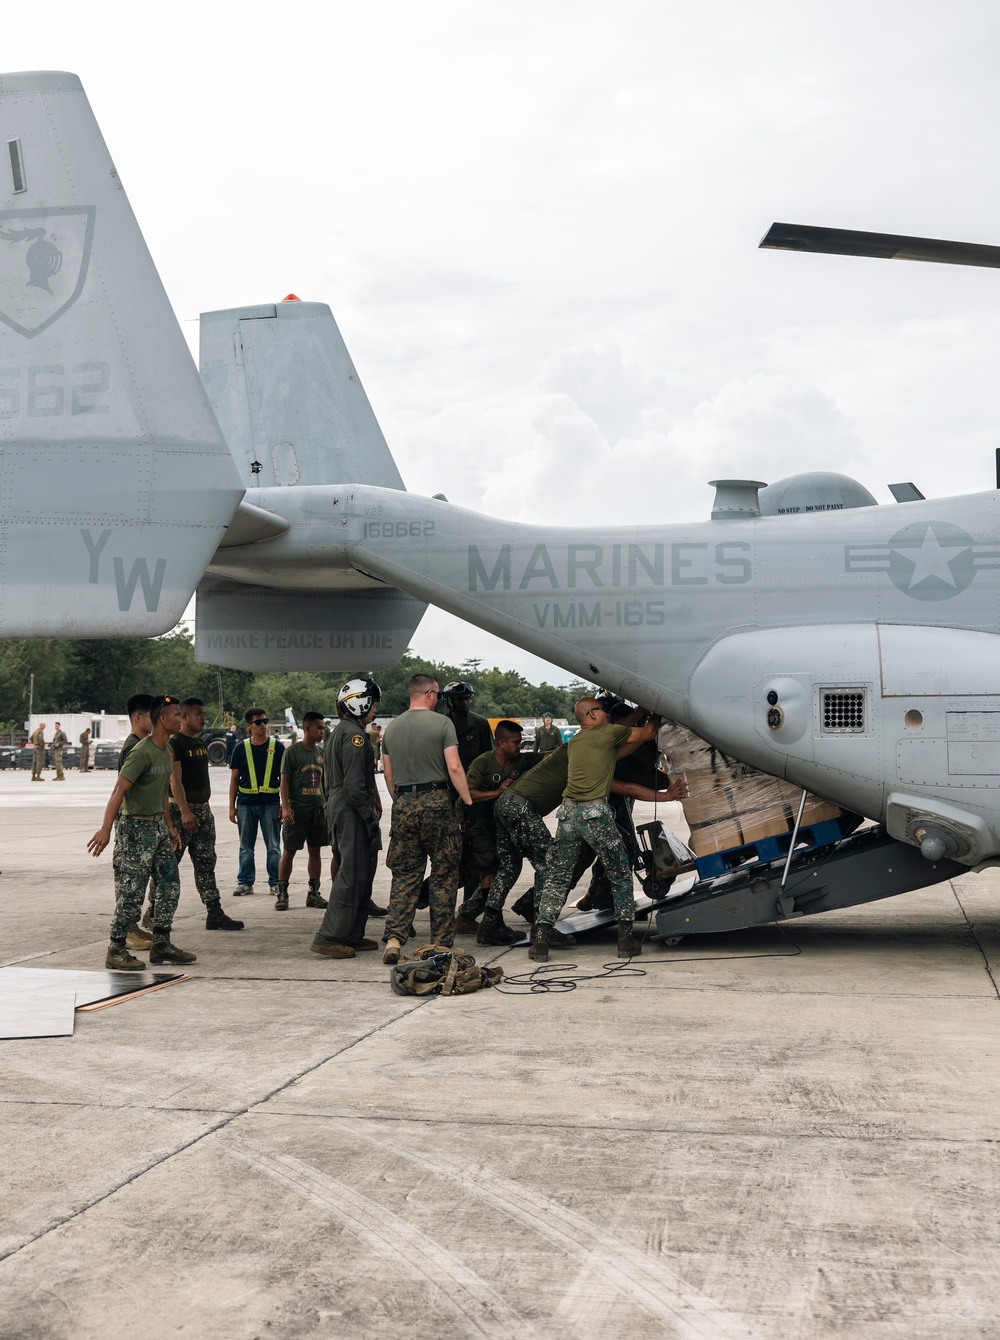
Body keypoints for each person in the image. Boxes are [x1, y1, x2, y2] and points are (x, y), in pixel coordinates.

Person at [480, 742, 687, 945]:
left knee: (510, 867)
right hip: (525, 810)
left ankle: (490, 923)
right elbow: (628, 785)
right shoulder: (587, 761)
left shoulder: (570, 750)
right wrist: (670, 790)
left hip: (506, 804)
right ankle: (541, 927)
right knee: (552, 869)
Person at [530, 698, 660, 962]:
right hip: (594, 814)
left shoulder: (577, 741)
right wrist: (657, 709)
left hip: (567, 815)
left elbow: (618, 742)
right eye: (602, 710)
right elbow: (648, 733)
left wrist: (638, 711)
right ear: (591, 714)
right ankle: (625, 938)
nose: (607, 714)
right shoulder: (606, 733)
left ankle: (540, 941)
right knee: (620, 871)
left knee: (557, 877)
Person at [86, 695, 196, 970]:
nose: (180, 719)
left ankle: (161, 944)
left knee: (170, 885)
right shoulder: (141, 752)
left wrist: (169, 827)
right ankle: (116, 950)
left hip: (158, 827)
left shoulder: (167, 750)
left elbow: (161, 792)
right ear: (163, 719)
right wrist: (105, 829)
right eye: (176, 715)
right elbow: (118, 791)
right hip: (135, 829)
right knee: (132, 894)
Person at [380, 674, 473, 963]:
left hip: (404, 803)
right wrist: (467, 801)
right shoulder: (443, 723)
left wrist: (403, 801)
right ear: (431, 694)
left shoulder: (391, 728)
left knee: (405, 874)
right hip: (438, 803)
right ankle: (441, 943)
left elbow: (389, 775)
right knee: (444, 875)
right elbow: (455, 767)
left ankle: (394, 939)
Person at [311, 679, 383, 958]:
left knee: (359, 872)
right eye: (371, 702)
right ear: (359, 703)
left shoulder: (344, 731)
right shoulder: (354, 735)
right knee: (351, 874)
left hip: (342, 805)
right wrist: (368, 817)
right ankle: (329, 936)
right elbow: (355, 787)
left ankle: (352, 933)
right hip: (350, 807)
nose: (375, 709)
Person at [161, 698, 244, 932]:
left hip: (202, 811)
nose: (203, 717)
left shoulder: (197, 742)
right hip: (181, 812)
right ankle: (154, 913)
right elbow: (173, 780)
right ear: (184, 716)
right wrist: (185, 811)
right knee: (169, 865)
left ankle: (214, 912)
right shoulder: (174, 743)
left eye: (203, 713)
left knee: (206, 862)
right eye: (198, 713)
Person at [454, 720, 544, 934]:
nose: (520, 745)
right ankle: (491, 923)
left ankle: (470, 916)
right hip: (473, 819)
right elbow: (467, 793)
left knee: (497, 865)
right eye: (515, 742)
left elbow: (546, 757)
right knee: (487, 865)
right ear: (501, 743)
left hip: (494, 821)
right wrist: (496, 793)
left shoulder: (519, 760)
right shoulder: (483, 763)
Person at [277, 711, 330, 911]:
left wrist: (325, 802)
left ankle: (314, 893)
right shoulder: (292, 752)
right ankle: (282, 893)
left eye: (323, 728)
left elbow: (324, 781)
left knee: (315, 851)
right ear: (307, 729)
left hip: (317, 810)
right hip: (297, 810)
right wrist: (285, 806)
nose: (322, 731)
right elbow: (284, 780)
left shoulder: (319, 752)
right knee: (289, 851)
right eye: (319, 727)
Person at [229, 708, 284, 897]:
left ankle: (276, 882)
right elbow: (234, 779)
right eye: (259, 722)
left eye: (265, 721)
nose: (264, 725)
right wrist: (231, 807)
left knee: (274, 847)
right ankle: (245, 882)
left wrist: (285, 804)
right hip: (245, 804)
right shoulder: (240, 748)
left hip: (271, 804)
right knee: (246, 847)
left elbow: (284, 779)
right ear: (249, 726)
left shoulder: (278, 747)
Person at [442, 681, 493, 771]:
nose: (465, 703)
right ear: (449, 701)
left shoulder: (480, 723)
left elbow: (490, 755)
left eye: (467, 699)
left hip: (475, 779)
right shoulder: (441, 725)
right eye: (460, 699)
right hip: (448, 780)